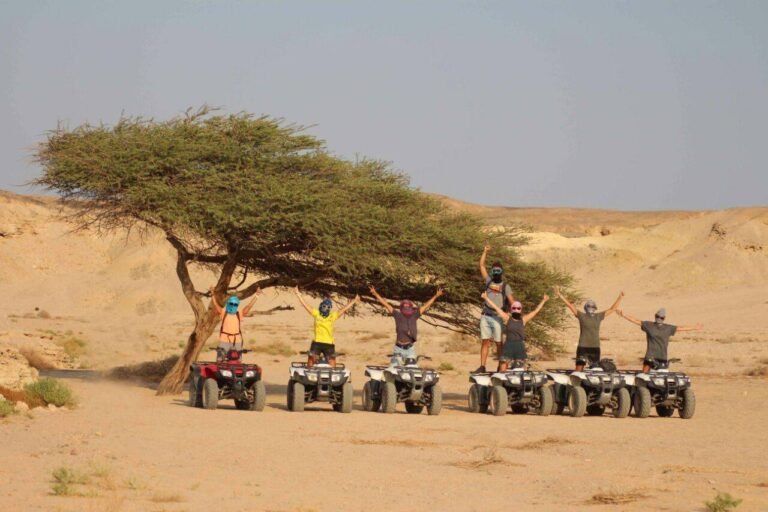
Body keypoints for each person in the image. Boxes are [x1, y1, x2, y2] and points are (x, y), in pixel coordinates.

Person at [369, 285, 444, 366]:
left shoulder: (414, 315)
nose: (406, 310)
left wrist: (436, 296)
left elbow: (425, 306)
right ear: (402, 309)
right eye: (405, 308)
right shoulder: (397, 315)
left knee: (412, 371)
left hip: (410, 349)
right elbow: (386, 304)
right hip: (398, 349)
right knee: (394, 371)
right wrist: (375, 294)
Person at [554, 286, 624, 371]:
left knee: (595, 369)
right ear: (585, 307)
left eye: (592, 306)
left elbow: (613, 309)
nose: (590, 308)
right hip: (583, 346)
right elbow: (569, 305)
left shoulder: (598, 316)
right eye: (589, 306)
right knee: (579, 369)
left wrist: (620, 297)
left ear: (595, 308)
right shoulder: (581, 315)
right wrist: (559, 295)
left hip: (595, 347)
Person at [616, 307, 703, 373]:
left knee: (653, 379)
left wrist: (694, 328)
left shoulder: (661, 327)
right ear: (660, 317)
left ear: (660, 317)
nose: (659, 319)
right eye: (659, 317)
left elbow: (681, 328)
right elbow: (636, 321)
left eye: (660, 317)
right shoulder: (656, 326)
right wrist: (624, 315)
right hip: (654, 358)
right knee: (647, 379)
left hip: (658, 358)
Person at [481, 292, 549, 372]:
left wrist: (543, 301)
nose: (516, 310)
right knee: (502, 370)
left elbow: (535, 311)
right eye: (514, 308)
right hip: (508, 346)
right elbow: (496, 308)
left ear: (521, 309)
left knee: (519, 370)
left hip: (519, 346)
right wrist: (486, 298)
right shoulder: (507, 318)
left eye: (518, 308)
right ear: (511, 309)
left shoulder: (523, 320)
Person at [294, 286, 360, 368]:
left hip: (329, 344)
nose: (326, 308)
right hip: (317, 342)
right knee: (310, 365)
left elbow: (344, 309)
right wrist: (298, 294)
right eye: (324, 306)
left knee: (333, 367)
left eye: (328, 307)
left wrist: (354, 300)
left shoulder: (333, 316)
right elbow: (305, 305)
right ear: (321, 306)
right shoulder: (316, 313)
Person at [475, 244, 515, 373]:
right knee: (485, 341)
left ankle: (500, 366)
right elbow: (481, 266)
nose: (496, 272)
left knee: (499, 343)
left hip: (498, 317)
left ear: (502, 272)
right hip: (486, 316)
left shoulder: (505, 286)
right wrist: (485, 252)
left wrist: (513, 316)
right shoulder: (488, 281)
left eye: (498, 270)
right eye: (494, 270)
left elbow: (512, 302)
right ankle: (482, 366)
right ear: (492, 271)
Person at [209, 286, 260, 360]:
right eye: (231, 304)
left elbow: (248, 306)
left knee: (238, 363)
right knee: (220, 361)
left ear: (237, 305)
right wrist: (213, 295)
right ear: (228, 303)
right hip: (224, 340)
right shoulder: (223, 312)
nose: (233, 306)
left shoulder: (239, 313)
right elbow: (216, 305)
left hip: (237, 341)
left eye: (235, 305)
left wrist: (257, 295)